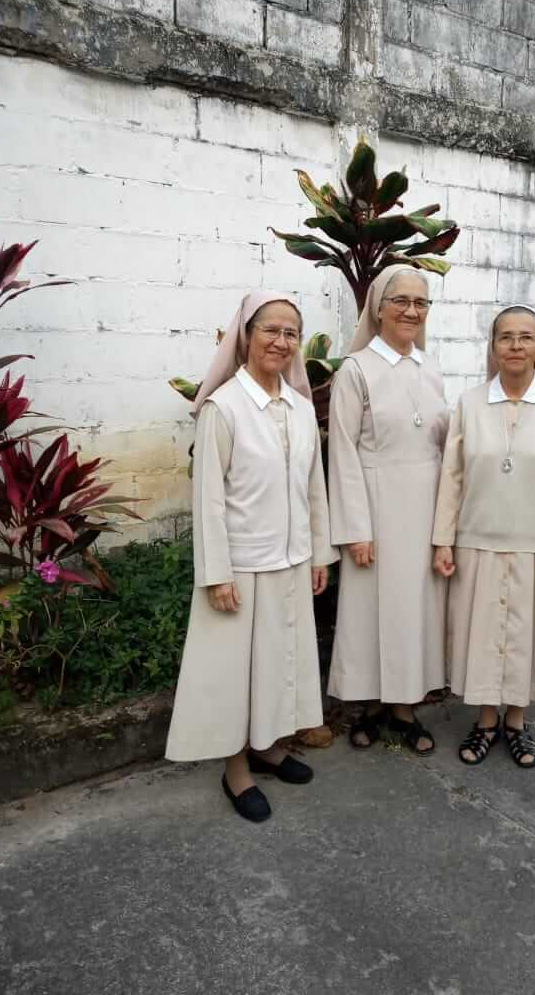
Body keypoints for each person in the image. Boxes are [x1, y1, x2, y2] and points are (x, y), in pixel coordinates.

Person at [165, 291, 338, 822]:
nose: (282, 341)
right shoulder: (224, 408)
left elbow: (315, 490)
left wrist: (319, 556)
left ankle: (267, 747)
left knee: (279, 663)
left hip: (289, 561)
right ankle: (236, 769)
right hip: (239, 565)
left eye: (291, 332)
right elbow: (209, 500)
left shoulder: (303, 410)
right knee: (235, 673)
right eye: (271, 330)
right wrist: (216, 573)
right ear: (246, 335)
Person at [432, 305, 535, 768]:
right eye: (505, 337)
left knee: (530, 635)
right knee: (485, 634)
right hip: (478, 539)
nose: (515, 346)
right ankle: (486, 721)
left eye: (526, 338)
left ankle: (517, 724)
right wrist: (443, 539)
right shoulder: (469, 403)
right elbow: (453, 476)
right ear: (493, 347)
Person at [327, 267, 449, 754]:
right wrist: (356, 528)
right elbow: (342, 453)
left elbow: (444, 447)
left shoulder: (431, 367)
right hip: (375, 509)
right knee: (371, 611)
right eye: (401, 301)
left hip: (424, 510)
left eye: (421, 303)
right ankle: (372, 706)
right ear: (378, 308)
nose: (411, 311)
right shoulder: (355, 370)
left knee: (415, 609)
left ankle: (406, 706)